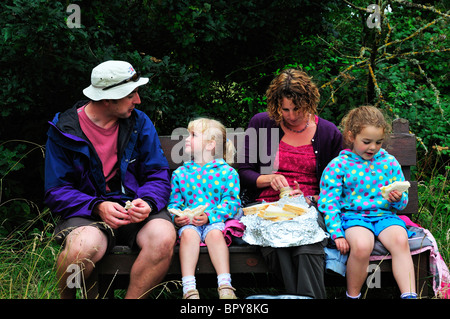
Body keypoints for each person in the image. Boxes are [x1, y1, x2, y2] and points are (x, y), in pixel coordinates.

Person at [44, 60, 176, 299]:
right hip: (87, 212)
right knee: (80, 250)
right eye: (131, 94)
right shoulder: (64, 129)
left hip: (135, 207)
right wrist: (96, 206)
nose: (138, 100)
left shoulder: (140, 122)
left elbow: (157, 173)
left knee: (163, 238)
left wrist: (147, 201)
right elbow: (56, 190)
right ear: (107, 99)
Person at [238, 68, 343, 298]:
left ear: (309, 102)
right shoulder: (261, 124)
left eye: (297, 109)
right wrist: (268, 179)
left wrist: (312, 199)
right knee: (278, 243)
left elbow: (340, 182)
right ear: (276, 105)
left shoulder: (328, 132)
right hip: (268, 207)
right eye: (285, 109)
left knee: (307, 243)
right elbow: (244, 171)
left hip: (310, 206)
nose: (291, 115)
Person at [318, 105, 417, 299]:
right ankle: (353, 295)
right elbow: (329, 202)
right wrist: (337, 233)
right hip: (354, 217)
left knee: (400, 239)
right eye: (366, 141)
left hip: (384, 216)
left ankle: (410, 295)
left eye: (379, 142)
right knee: (363, 245)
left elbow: (402, 201)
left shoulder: (389, 162)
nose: (373, 147)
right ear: (351, 137)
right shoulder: (339, 165)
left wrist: (397, 199)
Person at [168, 118, 241, 299]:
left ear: (210, 145)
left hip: (214, 221)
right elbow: (174, 203)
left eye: (193, 135)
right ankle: (189, 289)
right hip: (190, 223)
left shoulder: (227, 173)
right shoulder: (181, 173)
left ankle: (225, 286)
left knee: (215, 235)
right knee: (188, 234)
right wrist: (176, 217)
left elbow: (232, 202)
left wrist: (210, 216)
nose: (186, 138)